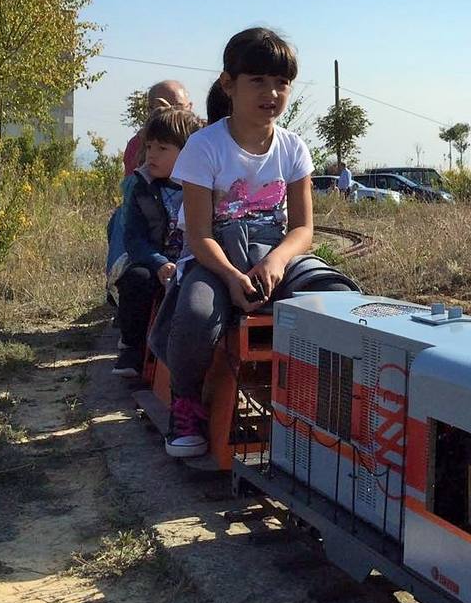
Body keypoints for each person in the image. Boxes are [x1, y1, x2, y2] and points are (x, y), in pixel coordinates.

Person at [152, 27, 357, 458]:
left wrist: (277, 262)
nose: (272, 92)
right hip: (214, 257)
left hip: (273, 253)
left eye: (282, 82)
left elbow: (303, 229)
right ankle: (186, 403)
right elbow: (199, 234)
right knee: (196, 313)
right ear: (229, 84)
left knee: (339, 298)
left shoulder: (294, 148)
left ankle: (328, 409)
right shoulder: (203, 147)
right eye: (258, 81)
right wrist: (228, 276)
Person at [112, 106, 203, 376]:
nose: (151, 154)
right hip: (152, 259)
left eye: (162, 148)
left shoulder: (200, 185)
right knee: (136, 280)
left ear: (187, 152)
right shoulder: (141, 187)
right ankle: (132, 348)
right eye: (149, 146)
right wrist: (158, 262)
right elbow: (134, 237)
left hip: (194, 258)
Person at [123, 80, 192, 176]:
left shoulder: (202, 142)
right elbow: (133, 186)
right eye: (163, 108)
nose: (171, 114)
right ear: (150, 111)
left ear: (190, 107)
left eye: (178, 107)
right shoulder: (137, 145)